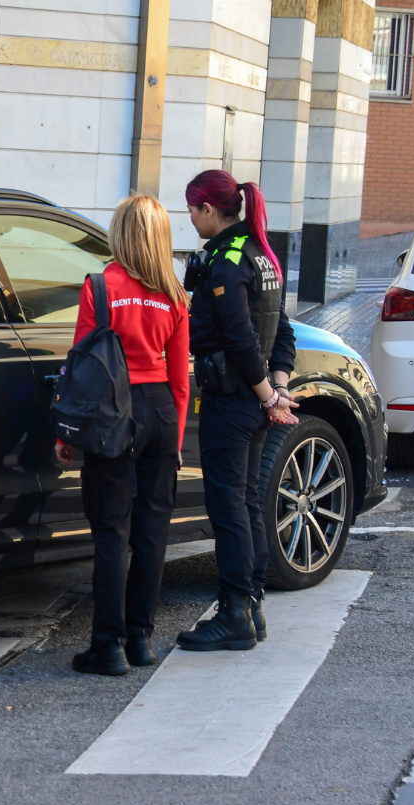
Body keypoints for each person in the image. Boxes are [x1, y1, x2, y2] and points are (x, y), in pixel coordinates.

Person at [56, 194, 190, 677]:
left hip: (113, 410)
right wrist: (174, 446)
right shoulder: (175, 294)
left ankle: (106, 646)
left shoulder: (100, 286)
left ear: (120, 233)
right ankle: (141, 638)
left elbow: (84, 366)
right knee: (152, 533)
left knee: (112, 532)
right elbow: (180, 380)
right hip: (159, 413)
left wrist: (69, 433)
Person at [175, 170, 298, 652]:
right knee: (247, 504)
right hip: (255, 399)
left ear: (209, 210)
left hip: (233, 398)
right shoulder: (260, 253)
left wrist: (268, 395)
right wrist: (279, 387)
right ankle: (252, 607)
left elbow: (242, 338)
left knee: (229, 508)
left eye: (192, 209)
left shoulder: (226, 262)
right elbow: (282, 329)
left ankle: (234, 614)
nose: (190, 218)